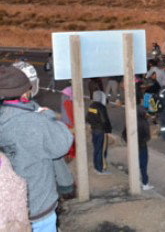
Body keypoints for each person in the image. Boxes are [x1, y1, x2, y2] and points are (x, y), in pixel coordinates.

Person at [0, 66, 73, 231]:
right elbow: (63, 143)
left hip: (7, 212)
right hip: (37, 208)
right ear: (26, 93)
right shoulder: (35, 122)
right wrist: (48, 116)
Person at [86, 90, 113, 175]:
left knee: (96, 149)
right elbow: (104, 120)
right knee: (102, 150)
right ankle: (101, 169)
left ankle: (96, 167)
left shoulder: (91, 106)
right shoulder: (101, 107)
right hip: (101, 131)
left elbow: (87, 118)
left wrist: (94, 124)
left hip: (94, 130)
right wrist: (108, 130)